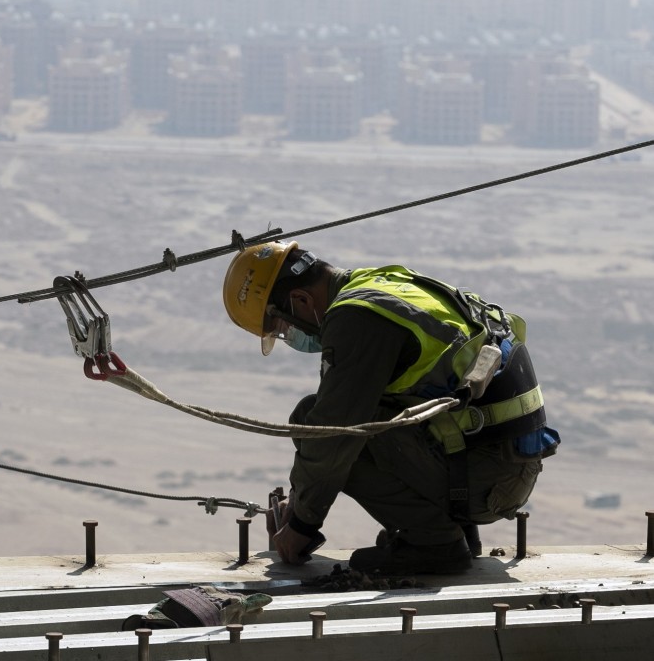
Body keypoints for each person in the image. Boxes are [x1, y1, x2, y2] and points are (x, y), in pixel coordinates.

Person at [222, 241, 559, 574]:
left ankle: (435, 542)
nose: (290, 336)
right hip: (500, 465)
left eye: (283, 328)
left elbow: (333, 433)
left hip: (488, 478)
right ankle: (451, 531)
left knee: (328, 432)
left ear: (300, 300)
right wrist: (300, 498)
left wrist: (300, 524)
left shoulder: (356, 317)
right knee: (322, 417)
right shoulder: (380, 284)